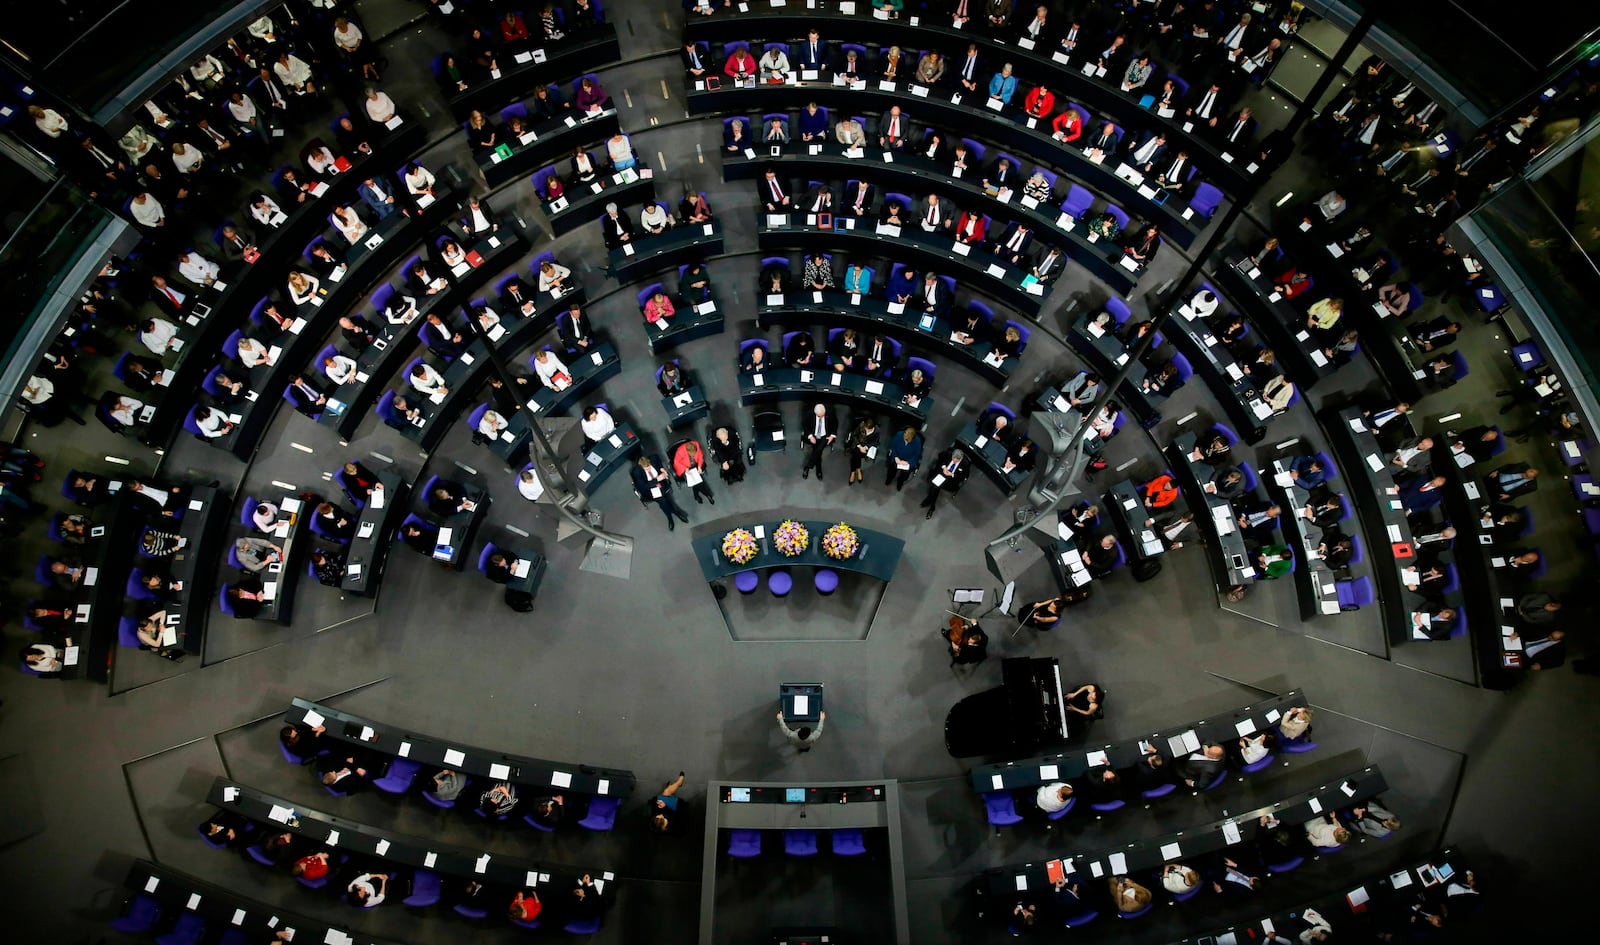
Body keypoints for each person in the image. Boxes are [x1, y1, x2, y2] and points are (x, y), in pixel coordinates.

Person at [632, 454, 689, 529]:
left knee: (669, 499)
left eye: (649, 467)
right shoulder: (637, 472)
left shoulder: (654, 458)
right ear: (641, 467)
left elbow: (659, 462)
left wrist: (662, 469)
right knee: (663, 503)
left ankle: (676, 513)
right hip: (651, 489)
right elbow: (643, 486)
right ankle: (670, 517)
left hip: (662, 484)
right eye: (646, 469)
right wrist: (656, 480)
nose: (649, 469)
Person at [920, 447, 969, 518]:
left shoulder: (965, 464)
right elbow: (940, 459)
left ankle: (929, 501)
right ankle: (932, 506)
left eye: (957, 461)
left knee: (934, 487)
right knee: (935, 487)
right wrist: (944, 467)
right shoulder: (948, 454)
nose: (954, 461)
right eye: (953, 460)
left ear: (960, 459)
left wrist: (952, 474)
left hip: (952, 480)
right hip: (942, 473)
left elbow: (964, 476)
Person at [800, 404, 838, 480]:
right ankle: (818, 469)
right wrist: (810, 436)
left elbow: (835, 423)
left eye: (823, 415)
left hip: (825, 436)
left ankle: (808, 467)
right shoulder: (809, 414)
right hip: (814, 435)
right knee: (818, 451)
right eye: (819, 416)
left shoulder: (829, 413)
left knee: (818, 449)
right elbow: (805, 425)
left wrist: (832, 435)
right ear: (815, 413)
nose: (821, 417)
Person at [886, 425, 924, 490]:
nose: (906, 441)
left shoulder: (918, 441)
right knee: (891, 471)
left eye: (908, 441)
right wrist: (895, 457)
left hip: (907, 460)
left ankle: (900, 482)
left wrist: (908, 462)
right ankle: (889, 479)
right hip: (897, 456)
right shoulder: (899, 434)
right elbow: (893, 446)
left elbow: (917, 455)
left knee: (904, 475)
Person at [845, 417, 880, 486]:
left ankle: (853, 471)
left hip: (867, 447)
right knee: (856, 453)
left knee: (855, 456)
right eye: (865, 428)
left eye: (868, 430)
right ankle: (857, 469)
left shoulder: (877, 431)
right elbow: (854, 435)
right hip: (858, 444)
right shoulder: (861, 425)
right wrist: (859, 446)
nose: (866, 430)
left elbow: (875, 442)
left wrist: (866, 447)